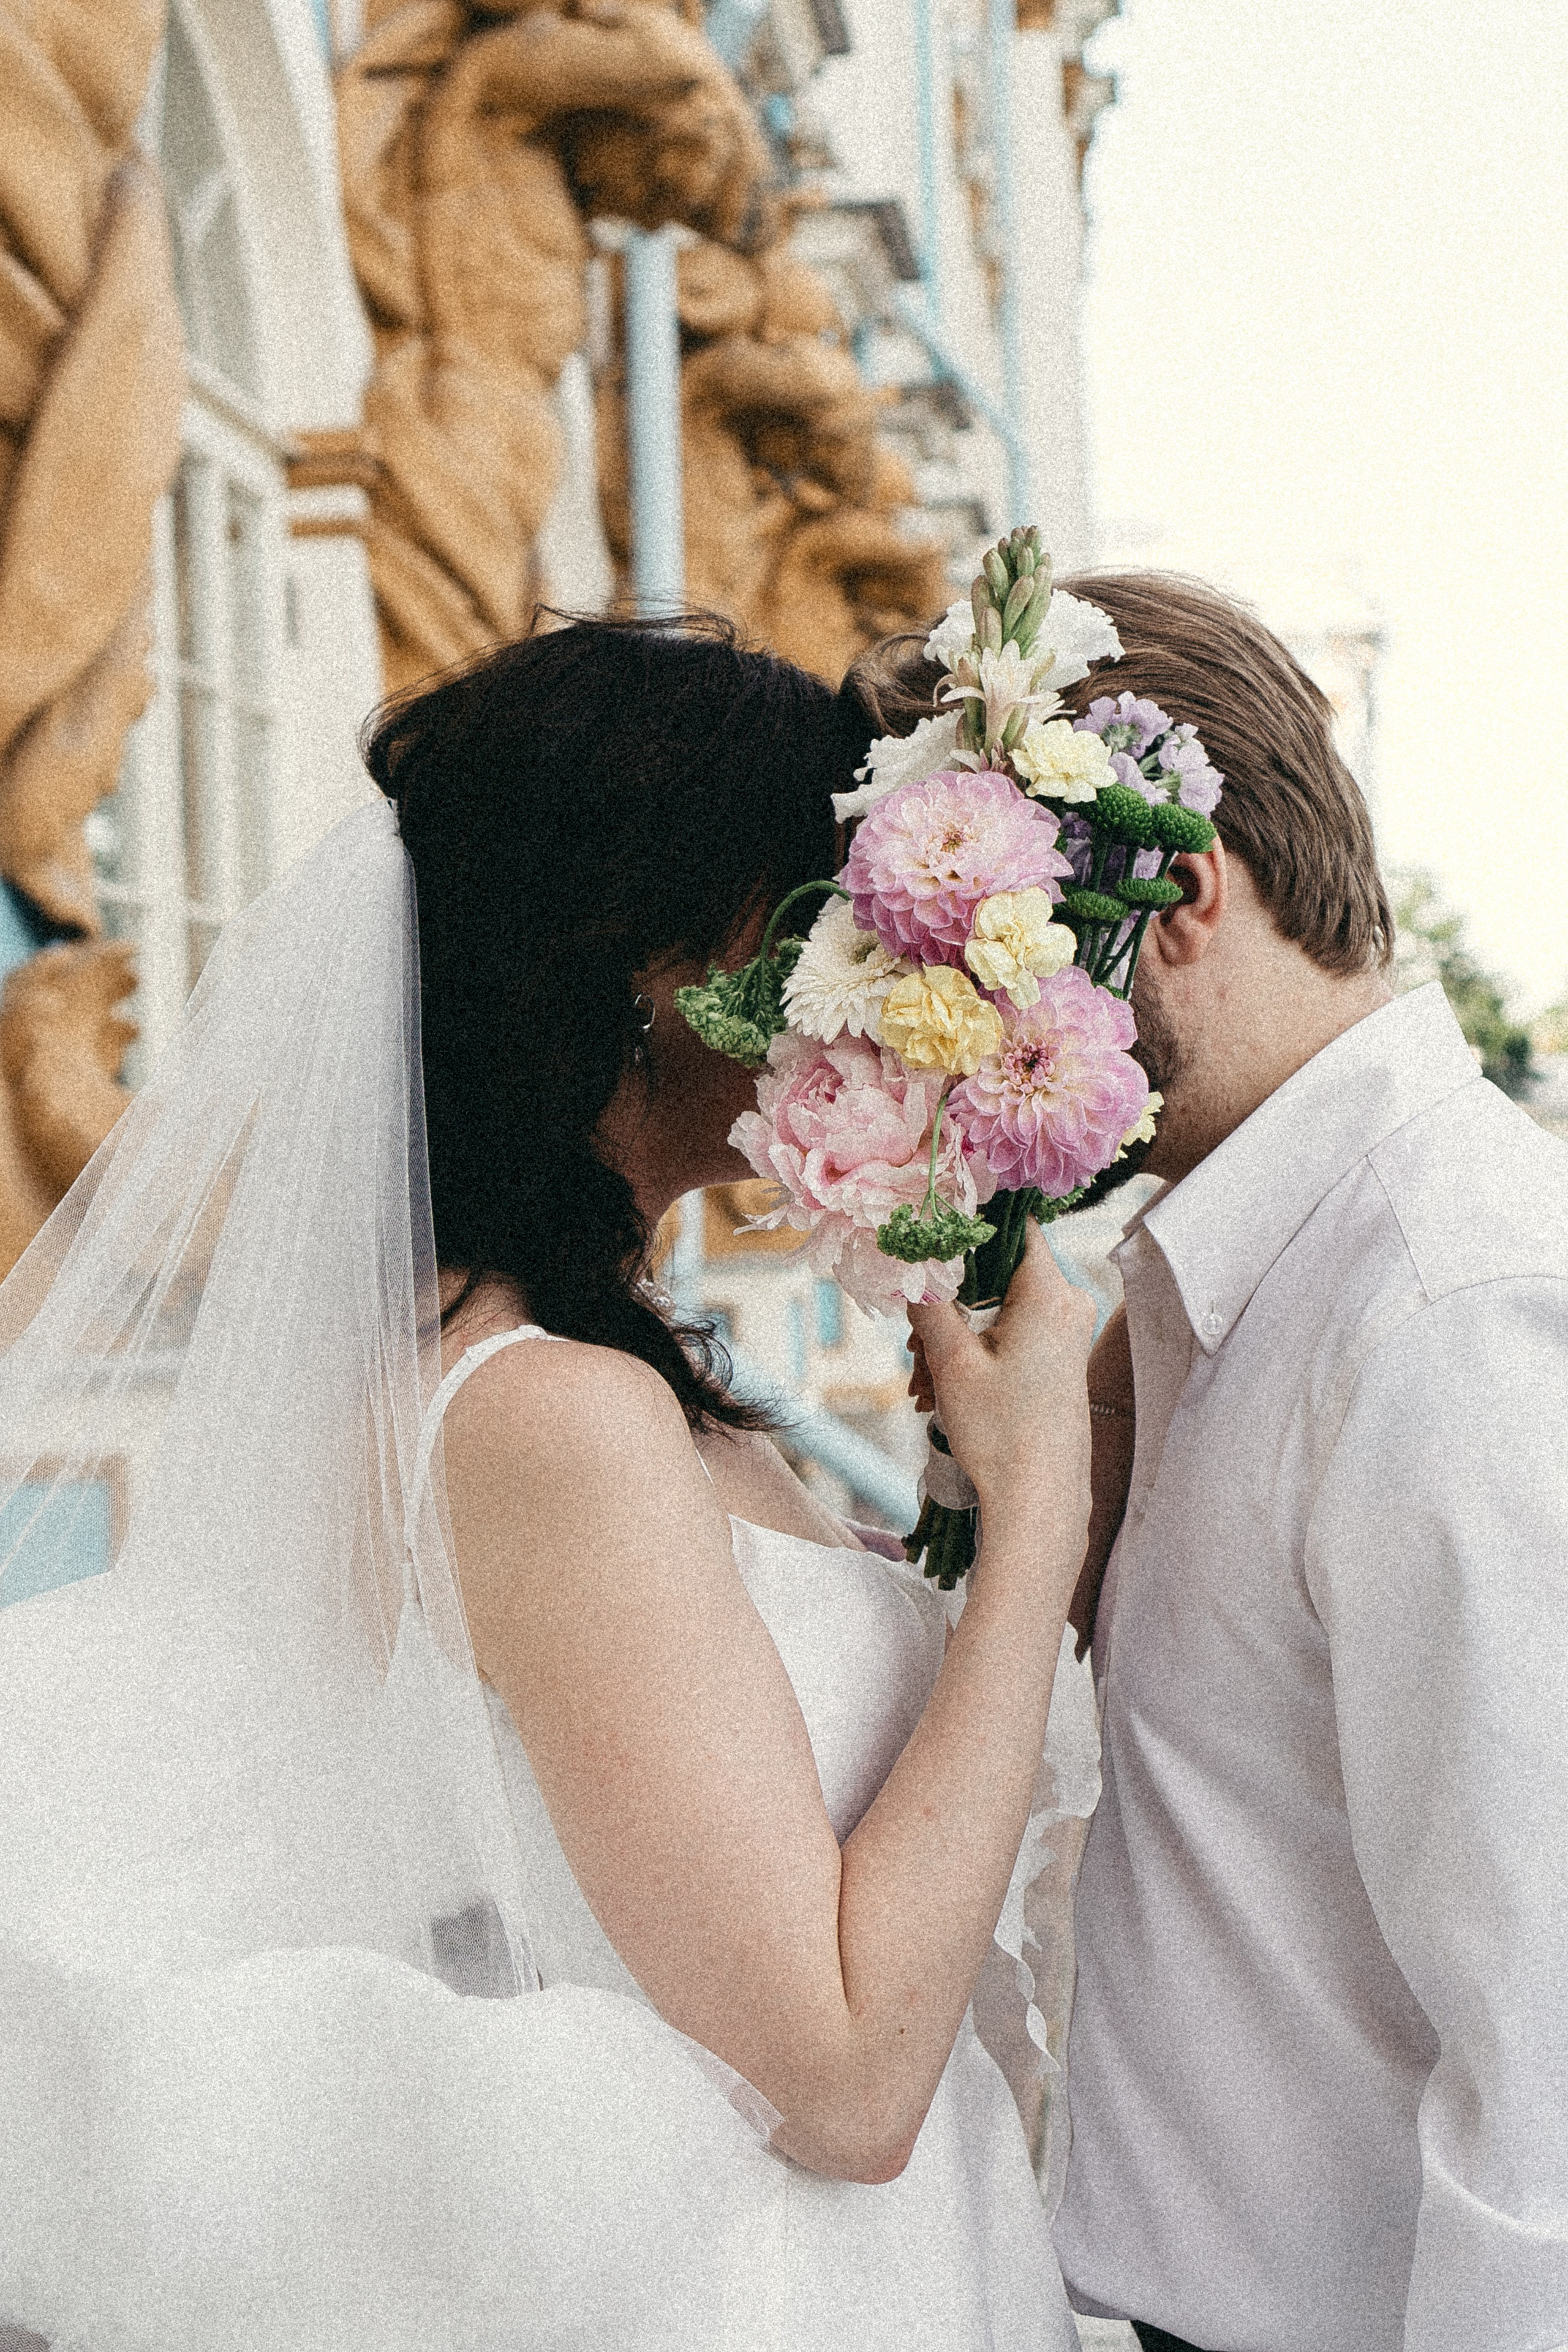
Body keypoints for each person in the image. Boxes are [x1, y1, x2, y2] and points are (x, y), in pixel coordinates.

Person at [0, 616, 1096, 2349]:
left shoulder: (586, 1361)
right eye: (819, 924)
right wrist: (1035, 1531)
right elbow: (840, 2080)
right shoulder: (547, 1416)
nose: (877, 993)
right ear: (663, 966)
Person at [1042, 575, 1568, 2352]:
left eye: (989, 952)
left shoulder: (1447, 1306)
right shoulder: (1223, 1272)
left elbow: (1554, 2054)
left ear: (1175, 896)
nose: (944, 1025)